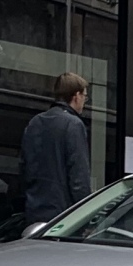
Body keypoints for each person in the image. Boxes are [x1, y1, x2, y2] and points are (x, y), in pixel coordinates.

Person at [21, 72, 92, 225]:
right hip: (62, 216)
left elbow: (24, 167)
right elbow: (79, 177)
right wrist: (87, 217)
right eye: (85, 96)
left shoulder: (35, 122)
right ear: (76, 95)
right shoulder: (73, 124)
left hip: (33, 211)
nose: (84, 102)